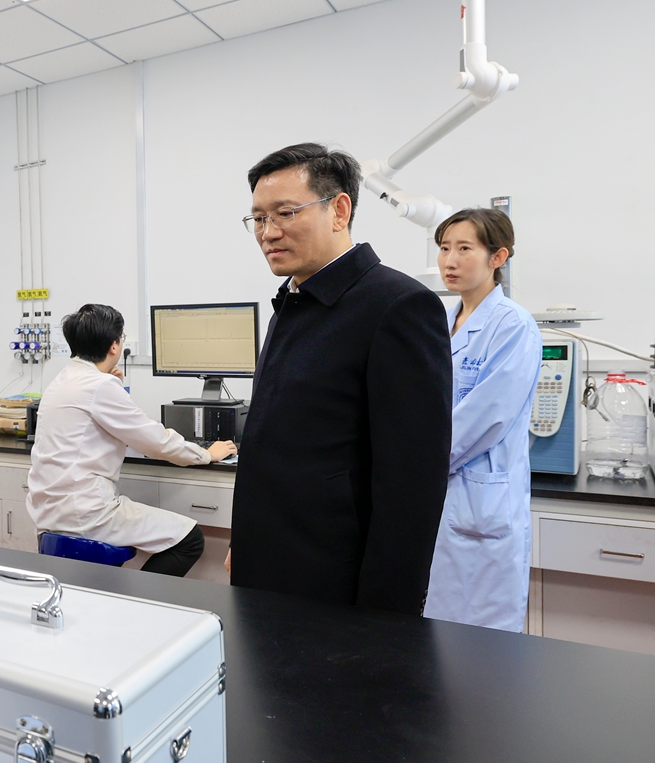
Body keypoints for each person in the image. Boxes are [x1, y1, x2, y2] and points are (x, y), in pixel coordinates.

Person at [227, 143, 452, 614]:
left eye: (285, 213)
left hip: (334, 582)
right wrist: (246, 542)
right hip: (269, 564)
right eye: (258, 218)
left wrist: (385, 615)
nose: (268, 232)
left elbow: (411, 486)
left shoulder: (396, 306)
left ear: (339, 210)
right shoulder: (293, 302)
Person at [27, 304, 237, 577]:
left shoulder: (63, 379)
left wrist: (108, 383)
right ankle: (139, 599)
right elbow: (155, 441)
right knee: (190, 538)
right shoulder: (100, 386)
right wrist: (207, 453)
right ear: (114, 346)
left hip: (49, 515)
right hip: (86, 515)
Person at [423, 209, 541, 632]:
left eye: (464, 248)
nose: (450, 260)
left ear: (498, 257)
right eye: (444, 248)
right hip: (438, 494)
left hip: (478, 501)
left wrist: (418, 465)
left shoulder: (513, 326)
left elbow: (487, 418)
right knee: (432, 636)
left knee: (480, 643)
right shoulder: (439, 322)